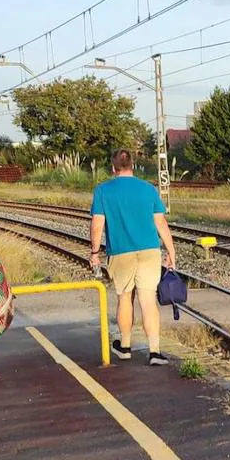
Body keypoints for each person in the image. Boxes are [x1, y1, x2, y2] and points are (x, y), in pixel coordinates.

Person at [89, 148, 177, 366]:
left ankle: (125, 346)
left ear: (113, 168)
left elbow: (97, 224)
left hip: (121, 252)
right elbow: (161, 223)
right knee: (148, 300)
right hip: (149, 251)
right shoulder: (148, 189)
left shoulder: (103, 191)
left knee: (124, 297)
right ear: (132, 166)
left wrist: (94, 253)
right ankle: (155, 352)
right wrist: (171, 251)